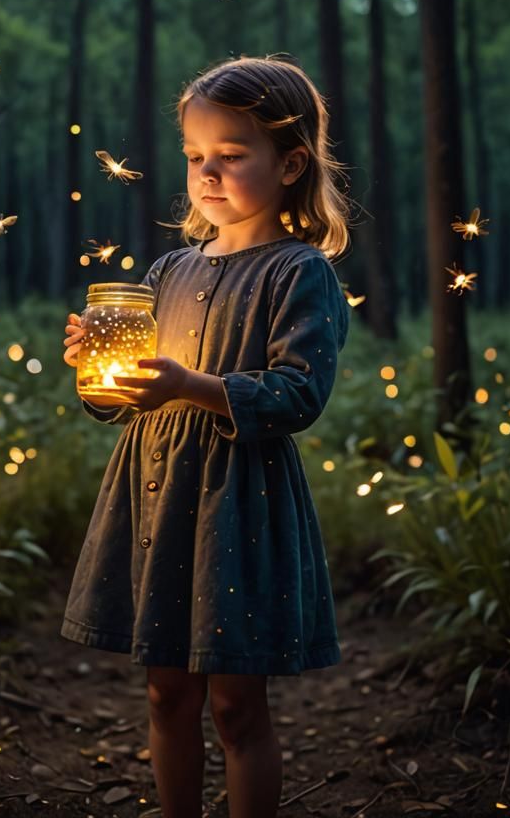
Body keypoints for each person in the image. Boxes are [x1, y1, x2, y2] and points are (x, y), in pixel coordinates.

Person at [61, 55, 354, 818]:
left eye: (231, 156)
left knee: (234, 703)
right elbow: (123, 405)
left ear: (291, 163)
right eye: (195, 157)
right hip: (157, 500)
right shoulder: (167, 270)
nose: (208, 174)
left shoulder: (301, 273)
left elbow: (298, 395)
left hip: (238, 507)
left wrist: (191, 386)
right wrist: (98, 371)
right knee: (165, 691)